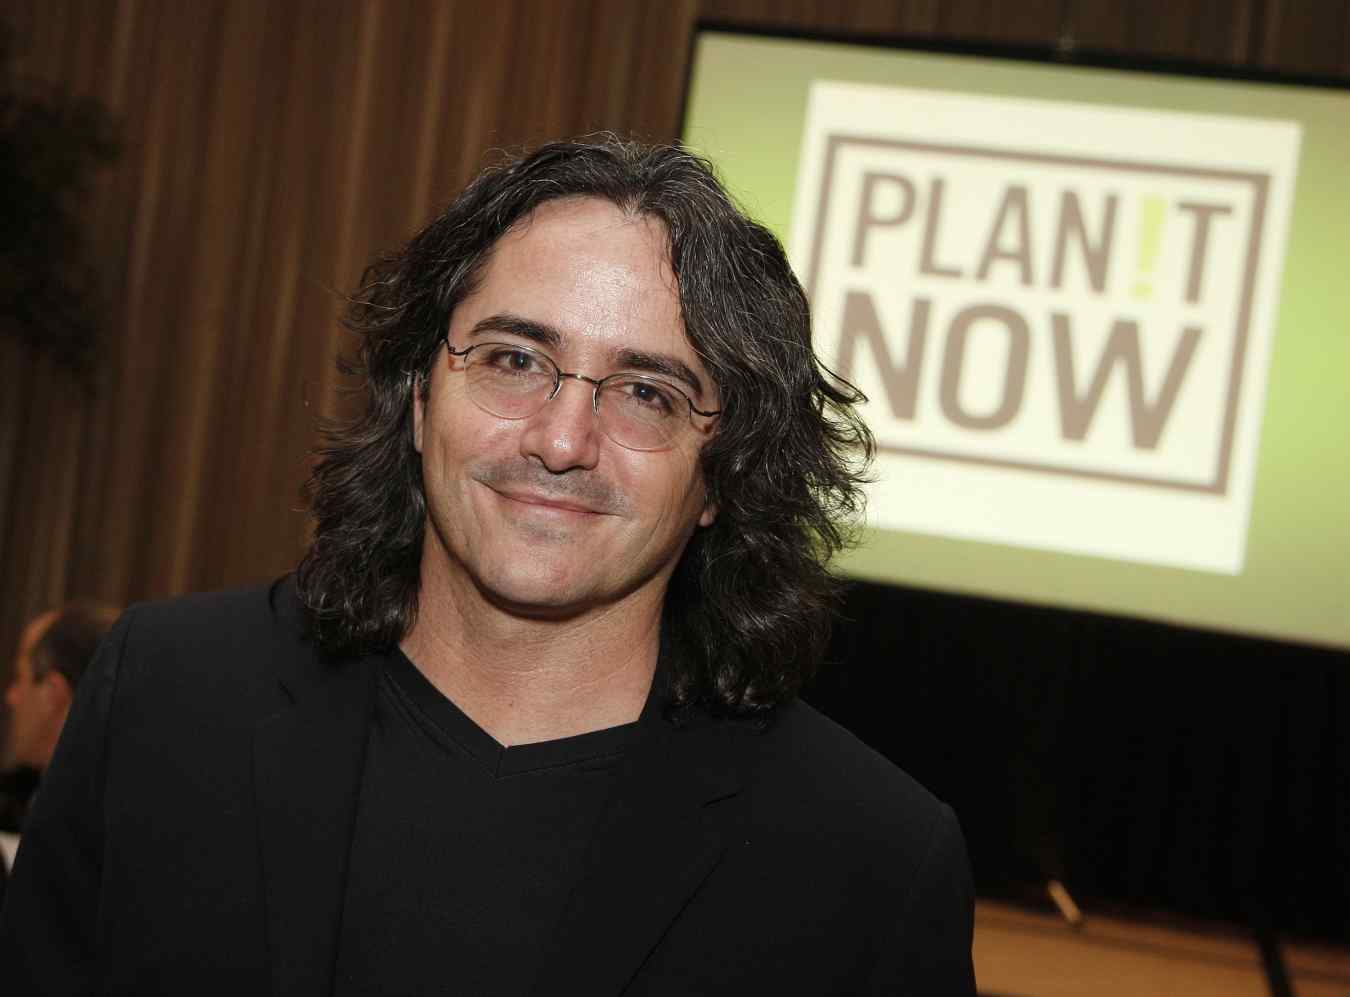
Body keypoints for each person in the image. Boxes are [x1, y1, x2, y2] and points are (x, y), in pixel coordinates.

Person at [0, 137, 976, 995]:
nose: (561, 440)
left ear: (722, 472)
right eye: (513, 359)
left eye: (646, 392)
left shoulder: (870, 866)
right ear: (421, 395)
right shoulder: (163, 698)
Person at [0, 605, 118, 893]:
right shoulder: (14, 797)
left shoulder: (101, 835)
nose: (11, 697)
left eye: (20, 677)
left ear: (53, 694)